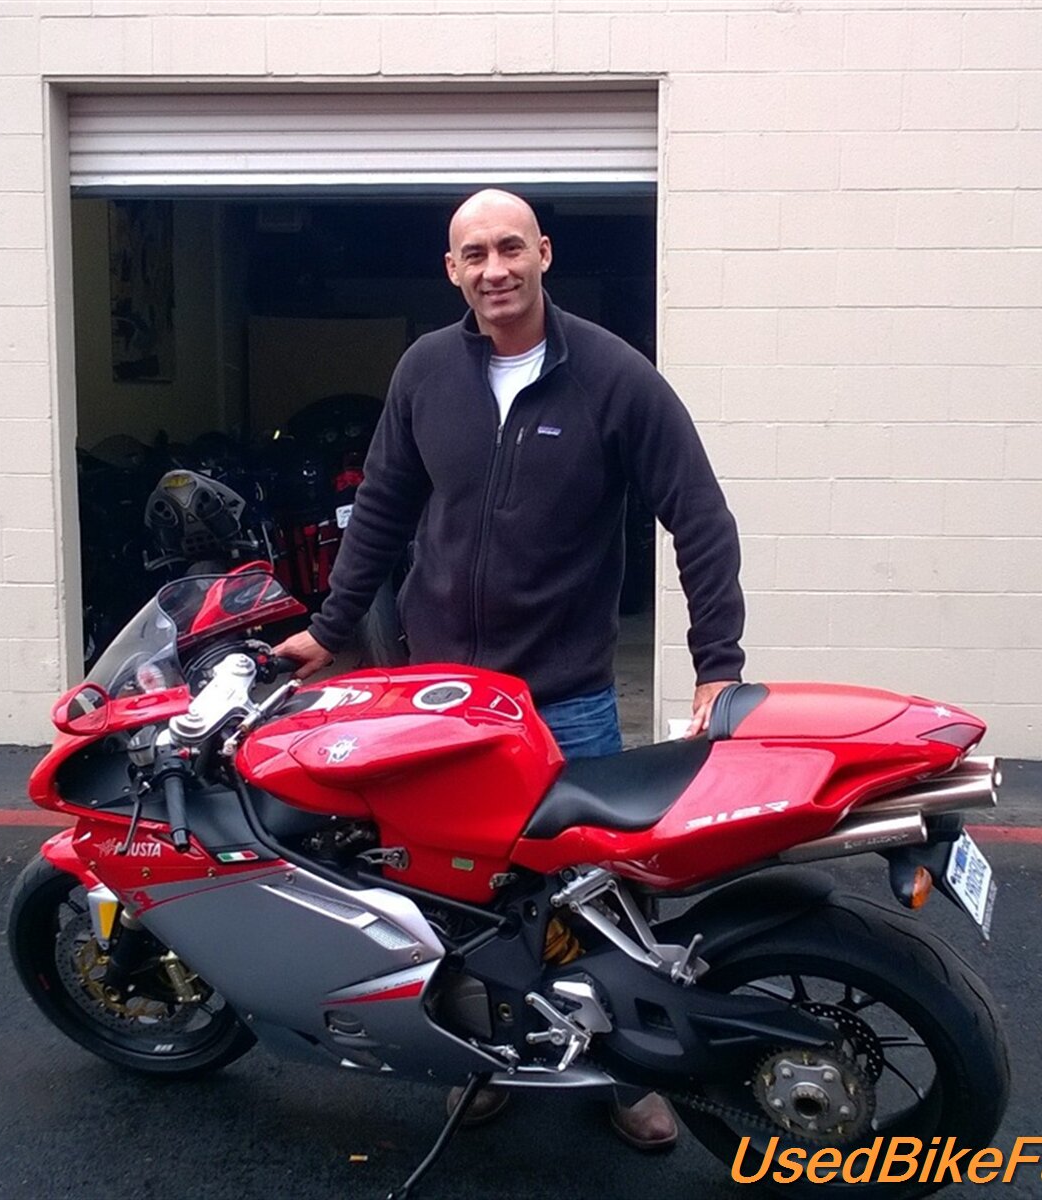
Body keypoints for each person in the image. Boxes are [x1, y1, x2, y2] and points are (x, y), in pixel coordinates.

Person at [273, 188, 745, 1151]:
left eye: (511, 248)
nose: (495, 269)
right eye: (475, 254)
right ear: (452, 270)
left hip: (562, 697)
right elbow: (384, 507)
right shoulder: (425, 370)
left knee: (600, 900)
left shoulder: (614, 377)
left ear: (544, 254)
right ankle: (482, 1054)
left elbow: (698, 515)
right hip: (441, 700)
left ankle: (628, 1071)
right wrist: (331, 629)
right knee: (452, 890)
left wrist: (717, 665)